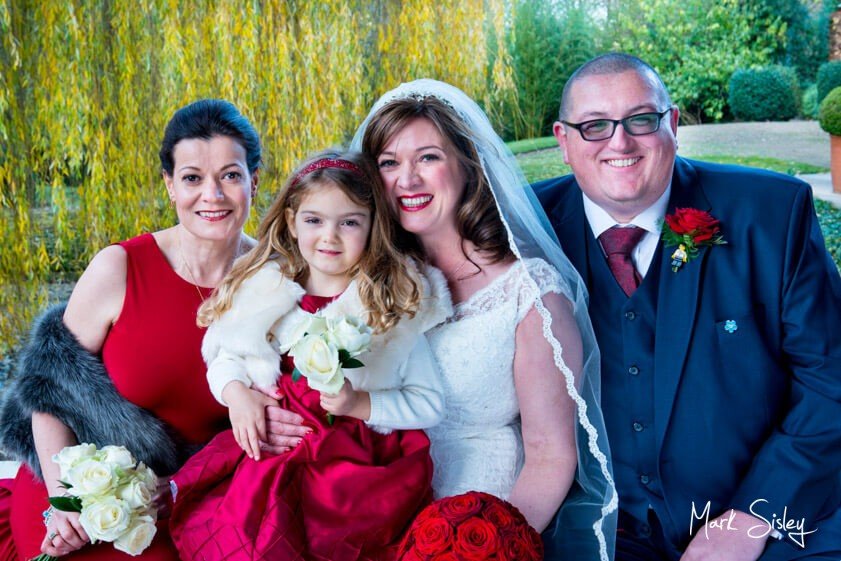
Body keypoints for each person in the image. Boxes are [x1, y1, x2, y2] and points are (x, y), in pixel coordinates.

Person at [534, 52, 841, 561]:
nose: (619, 141)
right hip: (597, 533)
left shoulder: (771, 214)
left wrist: (753, 516)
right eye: (594, 126)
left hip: (774, 525)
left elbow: (831, 382)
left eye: (641, 119)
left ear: (673, 124)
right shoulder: (524, 228)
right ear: (563, 141)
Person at [351, 80, 617, 560]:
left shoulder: (529, 294)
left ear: (467, 166)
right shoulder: (366, 284)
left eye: (428, 158)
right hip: (374, 518)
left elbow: (552, 456)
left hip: (480, 524)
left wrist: (493, 545)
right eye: (389, 163)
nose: (406, 180)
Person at [0, 99, 273, 560]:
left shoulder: (277, 281)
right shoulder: (120, 268)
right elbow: (46, 394)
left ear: (254, 181)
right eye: (192, 178)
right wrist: (65, 502)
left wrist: (187, 483)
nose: (213, 195)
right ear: (169, 186)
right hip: (72, 487)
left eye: (230, 175)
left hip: (198, 504)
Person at [167, 150, 451, 561]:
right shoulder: (264, 292)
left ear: (373, 228)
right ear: (291, 221)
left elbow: (430, 404)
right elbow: (224, 354)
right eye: (314, 220)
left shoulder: (390, 310)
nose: (329, 237)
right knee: (242, 535)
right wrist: (237, 395)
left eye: (349, 222)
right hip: (274, 452)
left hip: (350, 476)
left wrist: (361, 403)